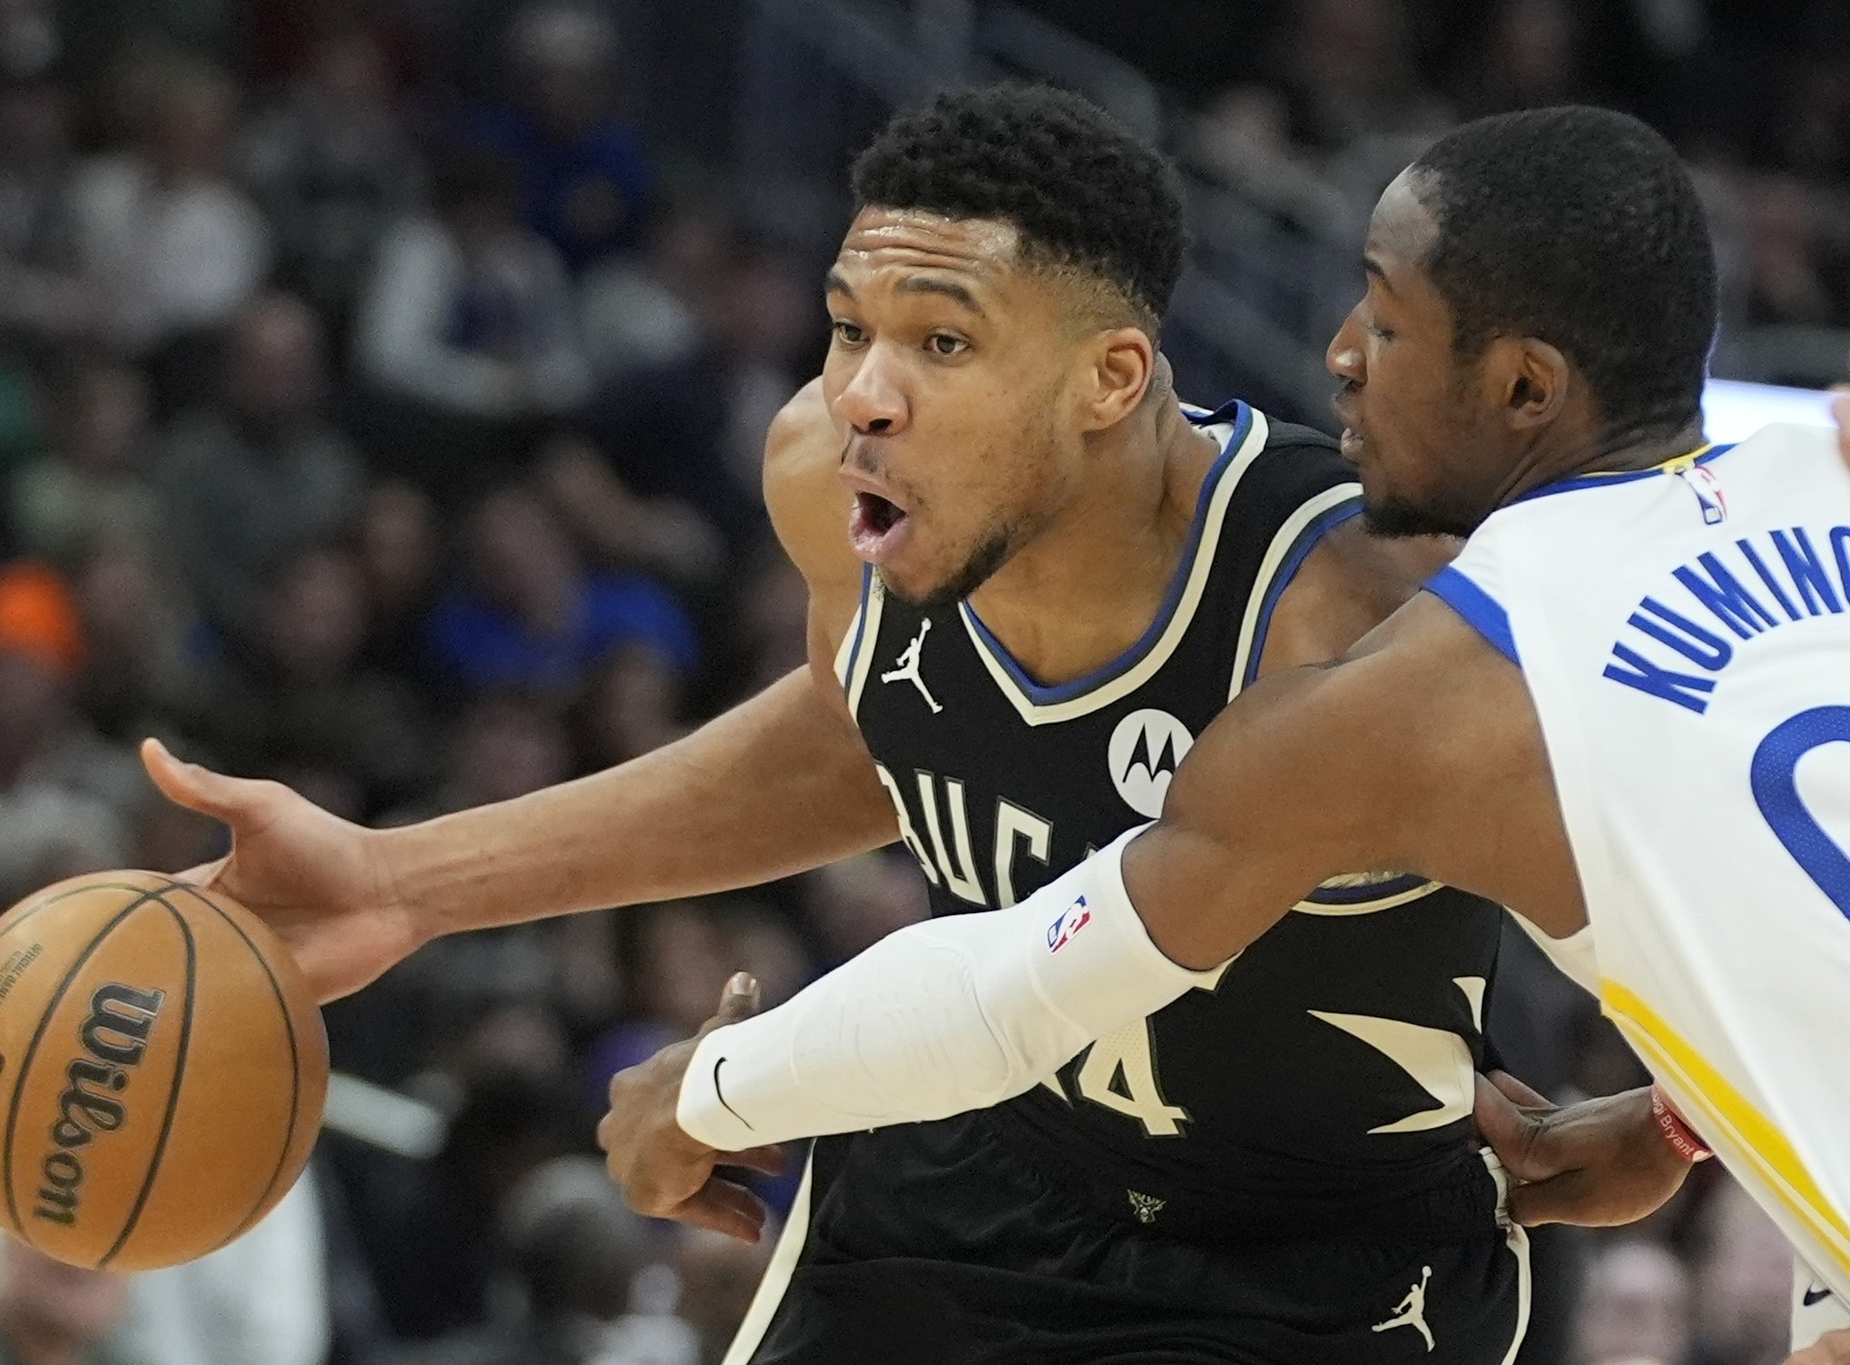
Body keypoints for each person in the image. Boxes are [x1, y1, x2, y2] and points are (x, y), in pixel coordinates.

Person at [140, 85, 1645, 1363]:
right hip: (967, 1175)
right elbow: (873, 737)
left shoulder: (1366, 612)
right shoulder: (829, 478)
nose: (862, 391)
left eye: (941, 343)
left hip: (1317, 1274)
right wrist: (405, 882)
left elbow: (1732, 894)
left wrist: (1675, 1122)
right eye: (848, 324)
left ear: (1110, 378)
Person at [590, 107, 1850, 1362]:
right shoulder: (1824, 457)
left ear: (1524, 384)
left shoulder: (1424, 691)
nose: (1340, 353)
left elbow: (1013, 995)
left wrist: (709, 1087)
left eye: (1384, 317)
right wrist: (1705, 1107)